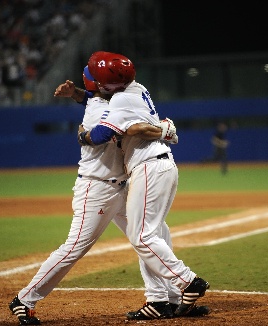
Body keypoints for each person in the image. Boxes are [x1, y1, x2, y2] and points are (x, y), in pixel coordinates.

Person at [8, 70, 205, 325]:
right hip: (97, 190)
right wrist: (162, 129)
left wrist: (77, 93)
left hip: (122, 185)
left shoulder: (106, 98)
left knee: (153, 233)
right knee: (75, 247)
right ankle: (24, 300)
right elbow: (102, 128)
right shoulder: (100, 108)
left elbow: (93, 95)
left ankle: (162, 300)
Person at [80, 51, 210, 318]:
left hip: (148, 166)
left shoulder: (121, 99)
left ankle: (187, 281)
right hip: (158, 165)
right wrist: (78, 96)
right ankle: (162, 301)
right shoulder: (135, 90)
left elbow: (103, 132)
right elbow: (116, 113)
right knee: (155, 233)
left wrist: (83, 136)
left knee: (142, 236)